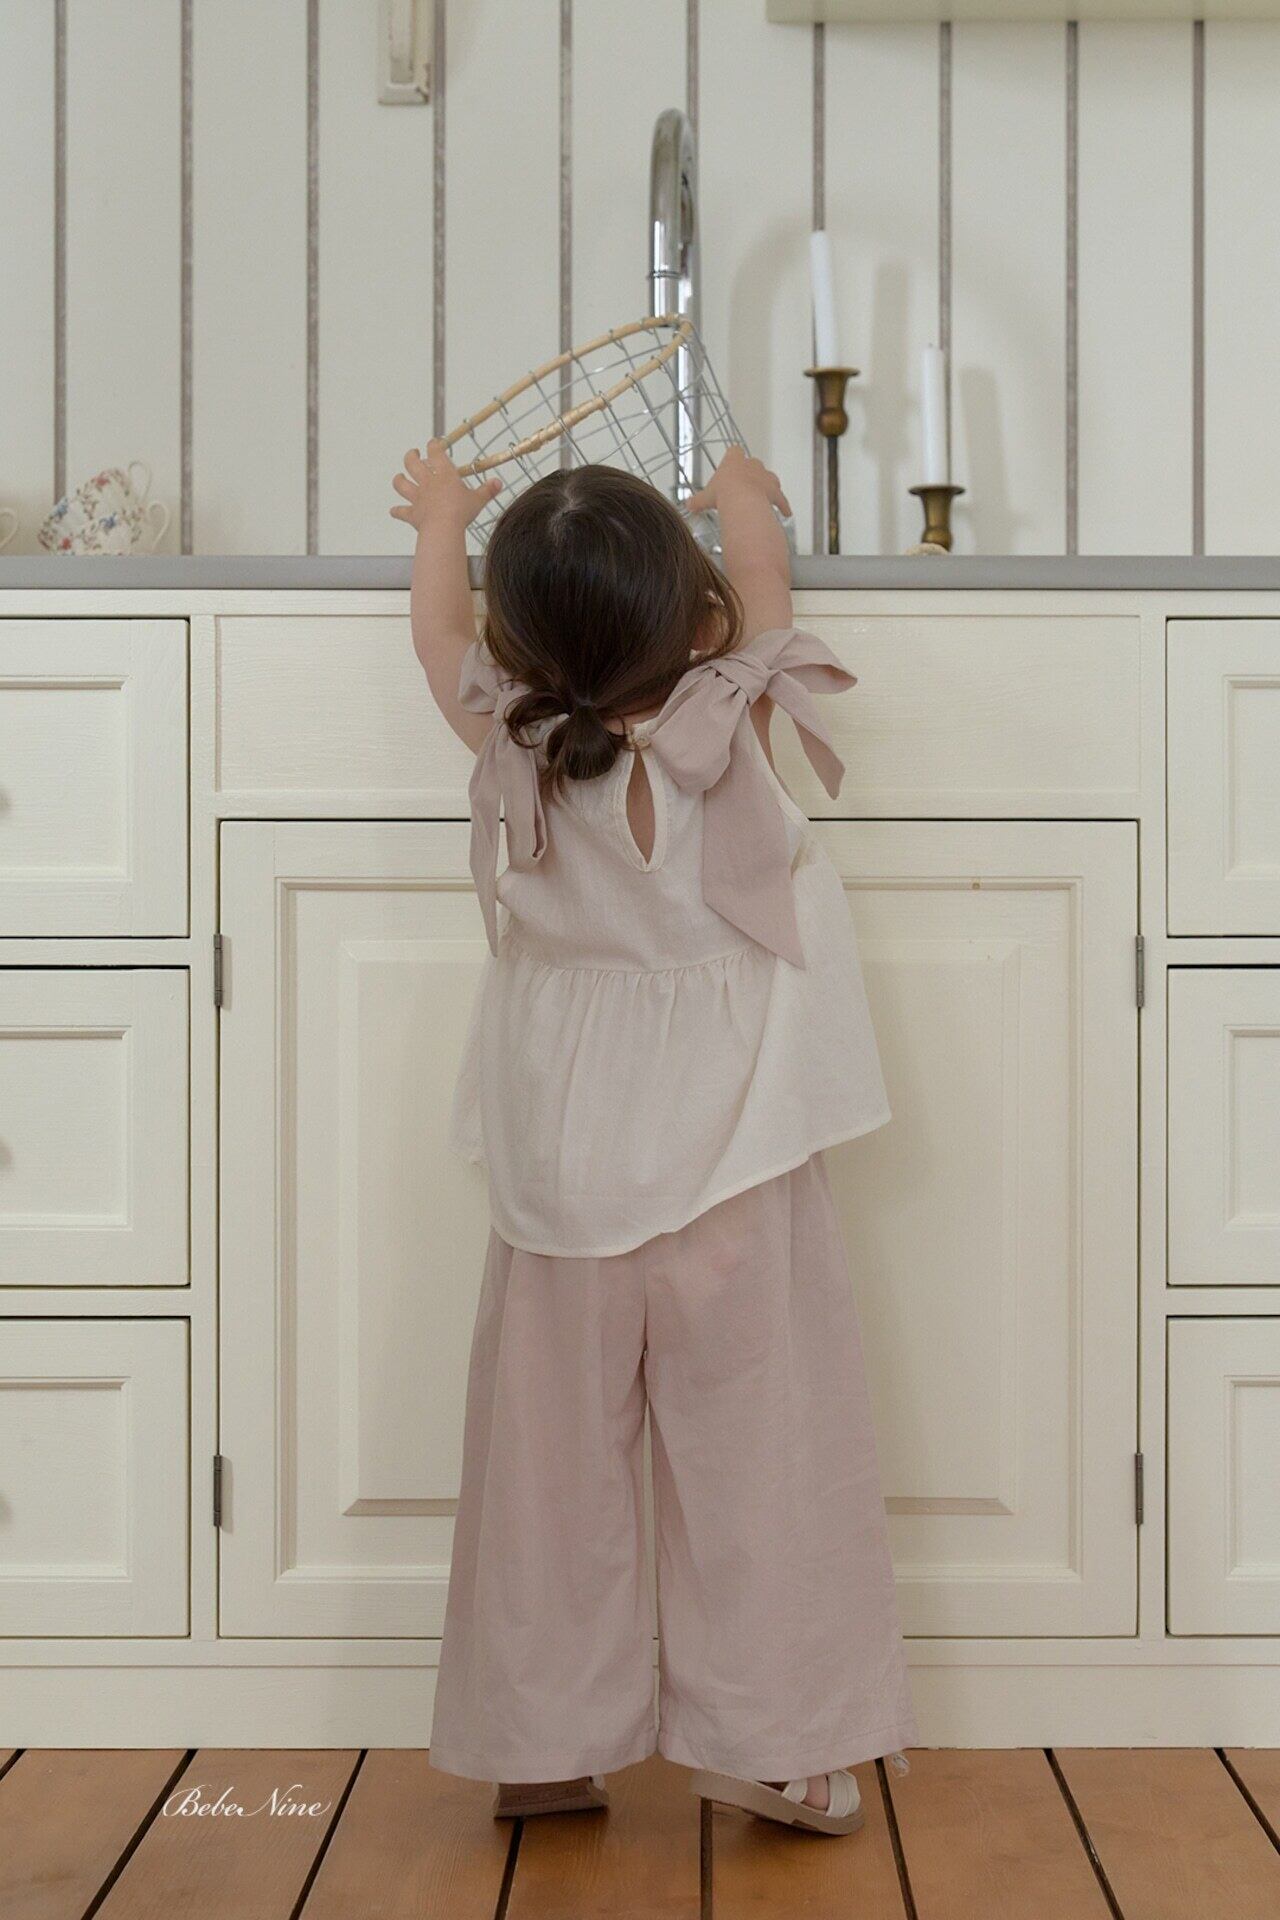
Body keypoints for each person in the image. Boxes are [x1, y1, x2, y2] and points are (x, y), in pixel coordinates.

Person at [390, 439, 917, 1838]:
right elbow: (764, 584)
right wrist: (739, 497)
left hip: (564, 1176)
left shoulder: (510, 740)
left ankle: (542, 1742)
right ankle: (783, 1746)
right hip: (738, 1157)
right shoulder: (728, 717)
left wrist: (441, 518)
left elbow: (434, 637)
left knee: (546, 1465)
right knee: (761, 1455)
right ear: (697, 623)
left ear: (519, 645)